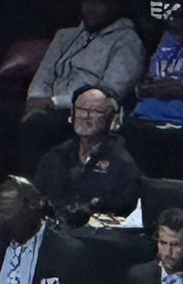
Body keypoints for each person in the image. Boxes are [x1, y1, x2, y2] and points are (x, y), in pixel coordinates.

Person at [18, 0, 144, 170]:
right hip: (44, 105)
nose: (91, 9)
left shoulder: (127, 42)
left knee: (37, 127)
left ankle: (32, 190)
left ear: (115, 6)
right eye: (87, 1)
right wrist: (35, 100)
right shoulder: (65, 35)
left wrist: (51, 104)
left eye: (99, 3)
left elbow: (110, 93)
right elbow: (45, 73)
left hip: (83, 112)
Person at [32, 85, 143, 222]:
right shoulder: (54, 157)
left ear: (113, 118)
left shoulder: (124, 165)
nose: (86, 116)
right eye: (81, 109)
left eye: (96, 110)